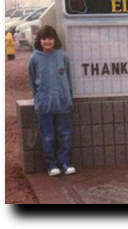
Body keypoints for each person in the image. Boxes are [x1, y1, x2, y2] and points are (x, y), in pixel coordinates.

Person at [28, 26, 76, 176]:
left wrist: (69, 97)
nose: (47, 41)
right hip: (44, 104)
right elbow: (32, 81)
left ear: (55, 39)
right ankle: (51, 165)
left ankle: (64, 163)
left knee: (65, 134)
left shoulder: (62, 56)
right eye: (44, 38)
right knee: (47, 136)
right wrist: (38, 100)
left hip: (63, 103)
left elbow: (68, 79)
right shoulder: (34, 58)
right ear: (39, 41)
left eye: (50, 38)